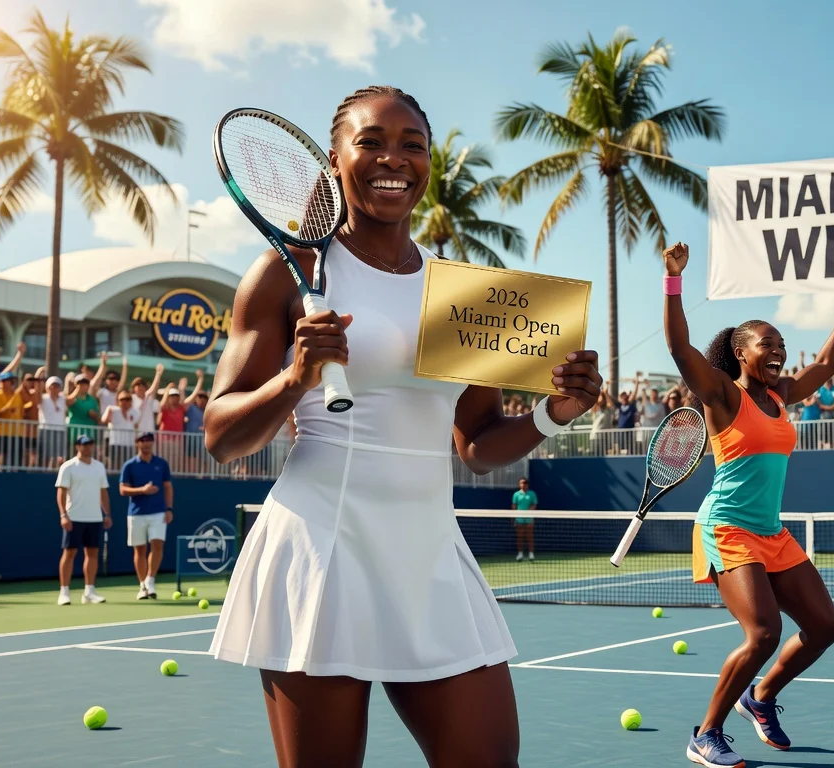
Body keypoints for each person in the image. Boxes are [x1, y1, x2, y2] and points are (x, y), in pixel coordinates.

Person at [203, 85, 600, 768]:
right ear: (334, 160)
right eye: (372, 142)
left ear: (428, 163)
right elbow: (220, 435)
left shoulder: (467, 296)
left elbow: (476, 446)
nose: (394, 158)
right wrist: (294, 379)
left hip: (429, 555)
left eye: (411, 145)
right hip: (321, 552)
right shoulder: (286, 273)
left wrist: (551, 413)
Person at [661, 241, 834, 768]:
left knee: (825, 628)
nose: (778, 350)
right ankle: (706, 733)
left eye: (782, 343)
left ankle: (759, 697)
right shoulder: (721, 393)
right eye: (767, 343)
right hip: (727, 527)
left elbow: (829, 363)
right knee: (764, 631)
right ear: (742, 354)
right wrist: (673, 280)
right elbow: (679, 349)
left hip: (771, 531)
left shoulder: (782, 396)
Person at [55, 434, 111, 605]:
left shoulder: (99, 467)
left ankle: (89, 591)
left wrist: (107, 514)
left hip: (94, 518)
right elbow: (61, 492)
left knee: (92, 553)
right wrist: (63, 515)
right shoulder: (68, 467)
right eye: (83, 444)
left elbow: (103, 492)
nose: (87, 447)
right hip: (74, 517)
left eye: (90, 444)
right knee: (69, 553)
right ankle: (64, 592)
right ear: (77, 446)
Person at [119, 432, 173, 599]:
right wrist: (142, 490)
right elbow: (122, 490)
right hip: (136, 514)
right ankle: (142, 585)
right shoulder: (129, 465)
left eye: (149, 441)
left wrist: (169, 508)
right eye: (143, 441)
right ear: (137, 443)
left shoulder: (162, 464)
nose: (147, 444)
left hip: (158, 512)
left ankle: (150, 579)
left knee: (157, 545)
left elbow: (168, 487)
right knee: (139, 550)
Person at [0, 371, 26, 470]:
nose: (9, 383)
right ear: (1, 382)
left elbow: (21, 412)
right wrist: (7, 409)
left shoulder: (17, 395)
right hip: (1, 432)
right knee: (0, 455)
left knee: (16, 457)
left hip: (16, 432)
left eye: (10, 380)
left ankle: (13, 477)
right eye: (6, 380)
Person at [512, 478, 538, 561]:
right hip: (519, 519)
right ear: (519, 484)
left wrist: (529, 513)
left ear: (527, 485)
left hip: (529, 519)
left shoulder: (532, 494)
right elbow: (514, 506)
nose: (523, 484)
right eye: (522, 483)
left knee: (530, 537)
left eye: (525, 483)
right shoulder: (516, 494)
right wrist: (513, 517)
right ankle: (520, 554)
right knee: (520, 537)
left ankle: (531, 554)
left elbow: (534, 504)